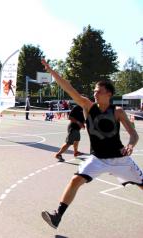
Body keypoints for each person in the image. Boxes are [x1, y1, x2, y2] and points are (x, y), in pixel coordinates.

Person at [40, 59, 143, 229]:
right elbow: (68, 88)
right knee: (75, 180)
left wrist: (130, 145)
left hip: (120, 159)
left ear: (108, 94)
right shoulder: (88, 106)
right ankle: (57, 216)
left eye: (99, 91)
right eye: (94, 91)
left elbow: (134, 134)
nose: (95, 93)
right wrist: (52, 72)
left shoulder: (117, 111)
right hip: (98, 158)